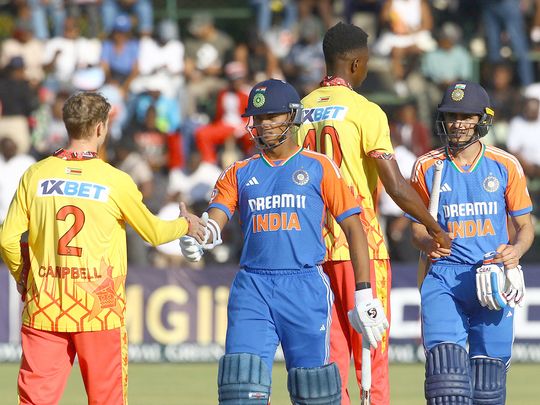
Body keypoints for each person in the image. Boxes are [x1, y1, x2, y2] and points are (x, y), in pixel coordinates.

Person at [180, 79, 389, 404]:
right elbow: (215, 220)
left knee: (315, 394)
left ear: (293, 116)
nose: (263, 125)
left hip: (305, 286)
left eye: (272, 116)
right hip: (253, 289)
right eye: (258, 118)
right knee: (240, 389)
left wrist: (363, 294)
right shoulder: (238, 171)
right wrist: (200, 234)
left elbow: (355, 229)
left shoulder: (320, 166)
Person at [0, 92, 207, 405]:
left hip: (44, 309)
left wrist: (23, 276)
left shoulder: (35, 174)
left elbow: (7, 239)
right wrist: (185, 224)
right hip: (99, 312)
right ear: (100, 128)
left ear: (67, 125)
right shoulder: (115, 181)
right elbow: (153, 232)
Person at [296, 22, 452, 405]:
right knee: (371, 350)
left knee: (328, 358)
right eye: (365, 64)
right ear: (355, 64)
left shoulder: (300, 110)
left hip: (312, 249)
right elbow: (396, 186)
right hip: (359, 246)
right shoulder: (365, 110)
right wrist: (434, 227)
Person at [410, 81, 534, 404]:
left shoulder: (505, 165)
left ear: (482, 119)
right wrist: (428, 243)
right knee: (446, 383)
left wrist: (515, 251)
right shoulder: (427, 166)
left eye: (466, 116)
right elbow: (416, 230)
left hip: (492, 280)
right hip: (444, 280)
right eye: (452, 115)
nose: (458, 123)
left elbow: (525, 227)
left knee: (488, 389)